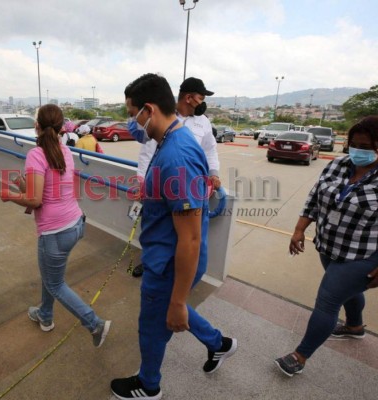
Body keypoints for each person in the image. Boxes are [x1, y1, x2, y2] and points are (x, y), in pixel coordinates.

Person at [110, 73, 237, 399]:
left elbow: (191, 238)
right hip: (164, 254)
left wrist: (180, 300)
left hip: (168, 261)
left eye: (131, 113)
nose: (131, 122)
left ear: (148, 109)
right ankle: (218, 343)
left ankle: (148, 386)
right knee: (166, 310)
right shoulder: (168, 142)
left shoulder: (177, 156)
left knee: (152, 326)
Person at [275, 116, 378, 377]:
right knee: (348, 292)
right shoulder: (339, 164)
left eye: (365, 146)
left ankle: (300, 355)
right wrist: (299, 229)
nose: (357, 151)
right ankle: (355, 327)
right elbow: (314, 196)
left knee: (328, 300)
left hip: (364, 254)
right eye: (353, 144)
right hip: (330, 246)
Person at [0, 104, 111, 347]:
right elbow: (50, 192)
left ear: (36, 125)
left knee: (54, 282)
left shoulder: (36, 154)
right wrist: (22, 186)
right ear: (62, 128)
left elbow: (36, 200)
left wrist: (10, 195)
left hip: (55, 233)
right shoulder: (64, 151)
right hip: (76, 223)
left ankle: (95, 324)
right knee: (51, 276)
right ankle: (45, 315)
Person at [130, 77, 221, 278]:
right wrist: (142, 183)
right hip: (155, 183)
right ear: (188, 98)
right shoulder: (164, 116)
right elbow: (147, 152)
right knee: (152, 225)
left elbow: (210, 150)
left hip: (183, 187)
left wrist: (214, 173)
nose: (202, 102)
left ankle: (175, 274)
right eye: (200, 97)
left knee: (181, 232)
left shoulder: (203, 123)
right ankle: (148, 262)